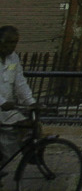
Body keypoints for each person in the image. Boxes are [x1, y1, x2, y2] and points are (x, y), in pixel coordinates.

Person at [0, 26, 34, 168]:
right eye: (7, 42)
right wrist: (2, 102)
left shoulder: (13, 58)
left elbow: (20, 83)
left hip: (6, 110)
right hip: (2, 106)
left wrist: (31, 102)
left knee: (28, 126)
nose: (11, 46)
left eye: (14, 42)